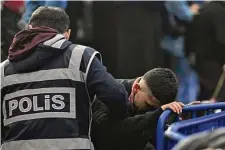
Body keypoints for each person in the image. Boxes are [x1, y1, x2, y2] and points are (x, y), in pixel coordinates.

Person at [0, 6, 128, 150]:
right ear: (67, 34)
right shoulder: (81, 57)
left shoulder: (3, 69)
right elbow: (116, 95)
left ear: (30, 28)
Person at [92, 68, 187, 150]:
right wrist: (155, 115)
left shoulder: (147, 100)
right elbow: (104, 132)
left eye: (155, 109)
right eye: (148, 105)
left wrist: (179, 114)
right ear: (136, 88)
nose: (149, 111)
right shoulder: (109, 93)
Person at [161, 1, 202, 104]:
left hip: (180, 45)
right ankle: (184, 108)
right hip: (175, 45)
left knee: (187, 77)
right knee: (182, 78)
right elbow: (187, 15)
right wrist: (193, 10)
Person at [185, 1, 225, 102]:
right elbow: (221, 38)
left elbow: (189, 35)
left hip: (199, 59)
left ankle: (197, 115)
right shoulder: (220, 12)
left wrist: (188, 54)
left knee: (204, 91)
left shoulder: (202, 10)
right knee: (216, 94)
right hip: (214, 60)